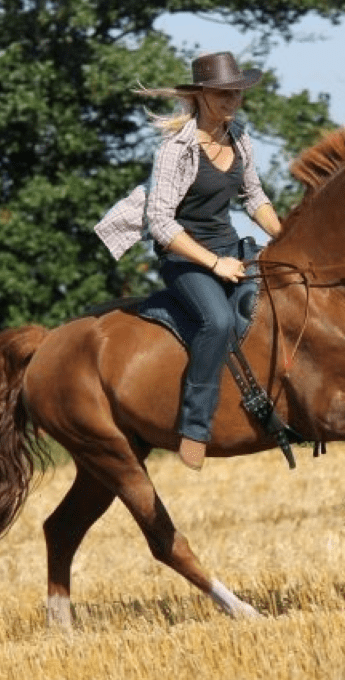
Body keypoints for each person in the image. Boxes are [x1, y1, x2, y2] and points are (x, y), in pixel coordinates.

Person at [95, 51, 282, 470]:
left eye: (236, 93)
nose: (232, 101)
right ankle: (195, 427)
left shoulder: (240, 136)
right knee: (216, 321)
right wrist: (215, 265)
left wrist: (285, 237)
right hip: (186, 258)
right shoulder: (175, 150)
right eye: (223, 93)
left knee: (274, 301)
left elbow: (254, 197)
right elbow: (160, 223)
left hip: (231, 247)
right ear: (200, 95)